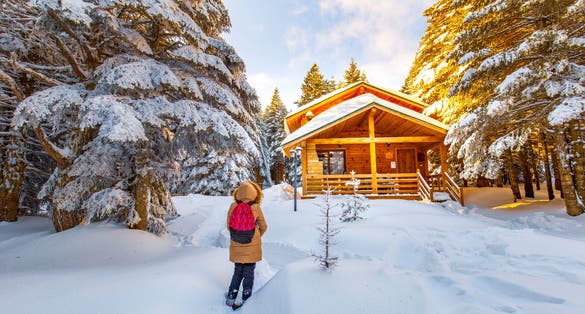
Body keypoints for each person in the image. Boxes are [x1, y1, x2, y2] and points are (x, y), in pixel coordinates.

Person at [225, 181, 268, 307]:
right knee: (249, 272)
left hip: (236, 244)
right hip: (251, 245)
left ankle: (231, 298)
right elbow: (264, 226)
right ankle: (246, 299)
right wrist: (256, 236)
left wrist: (237, 235)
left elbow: (229, 226)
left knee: (238, 271)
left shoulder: (233, 206)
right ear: (255, 193)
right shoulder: (255, 207)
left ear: (238, 192)